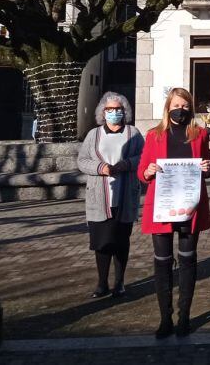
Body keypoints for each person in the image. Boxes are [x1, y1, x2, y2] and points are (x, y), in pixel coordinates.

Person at [137, 87, 210, 338]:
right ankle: (164, 318)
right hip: (161, 207)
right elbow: (141, 171)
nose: (180, 110)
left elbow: (207, 167)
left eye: (185, 106)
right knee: (162, 263)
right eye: (176, 105)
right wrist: (148, 172)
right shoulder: (154, 135)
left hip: (189, 207)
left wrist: (207, 166)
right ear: (168, 107)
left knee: (188, 261)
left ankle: (184, 317)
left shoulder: (200, 134)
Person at [76, 92, 144, 299]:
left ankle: (119, 282)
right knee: (102, 242)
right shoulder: (93, 135)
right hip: (100, 197)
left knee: (121, 241)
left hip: (125, 196)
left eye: (118, 109)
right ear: (102, 113)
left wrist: (128, 164)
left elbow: (143, 156)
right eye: (110, 110)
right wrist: (100, 167)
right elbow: (82, 160)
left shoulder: (134, 133)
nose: (114, 113)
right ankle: (102, 283)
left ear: (125, 111)